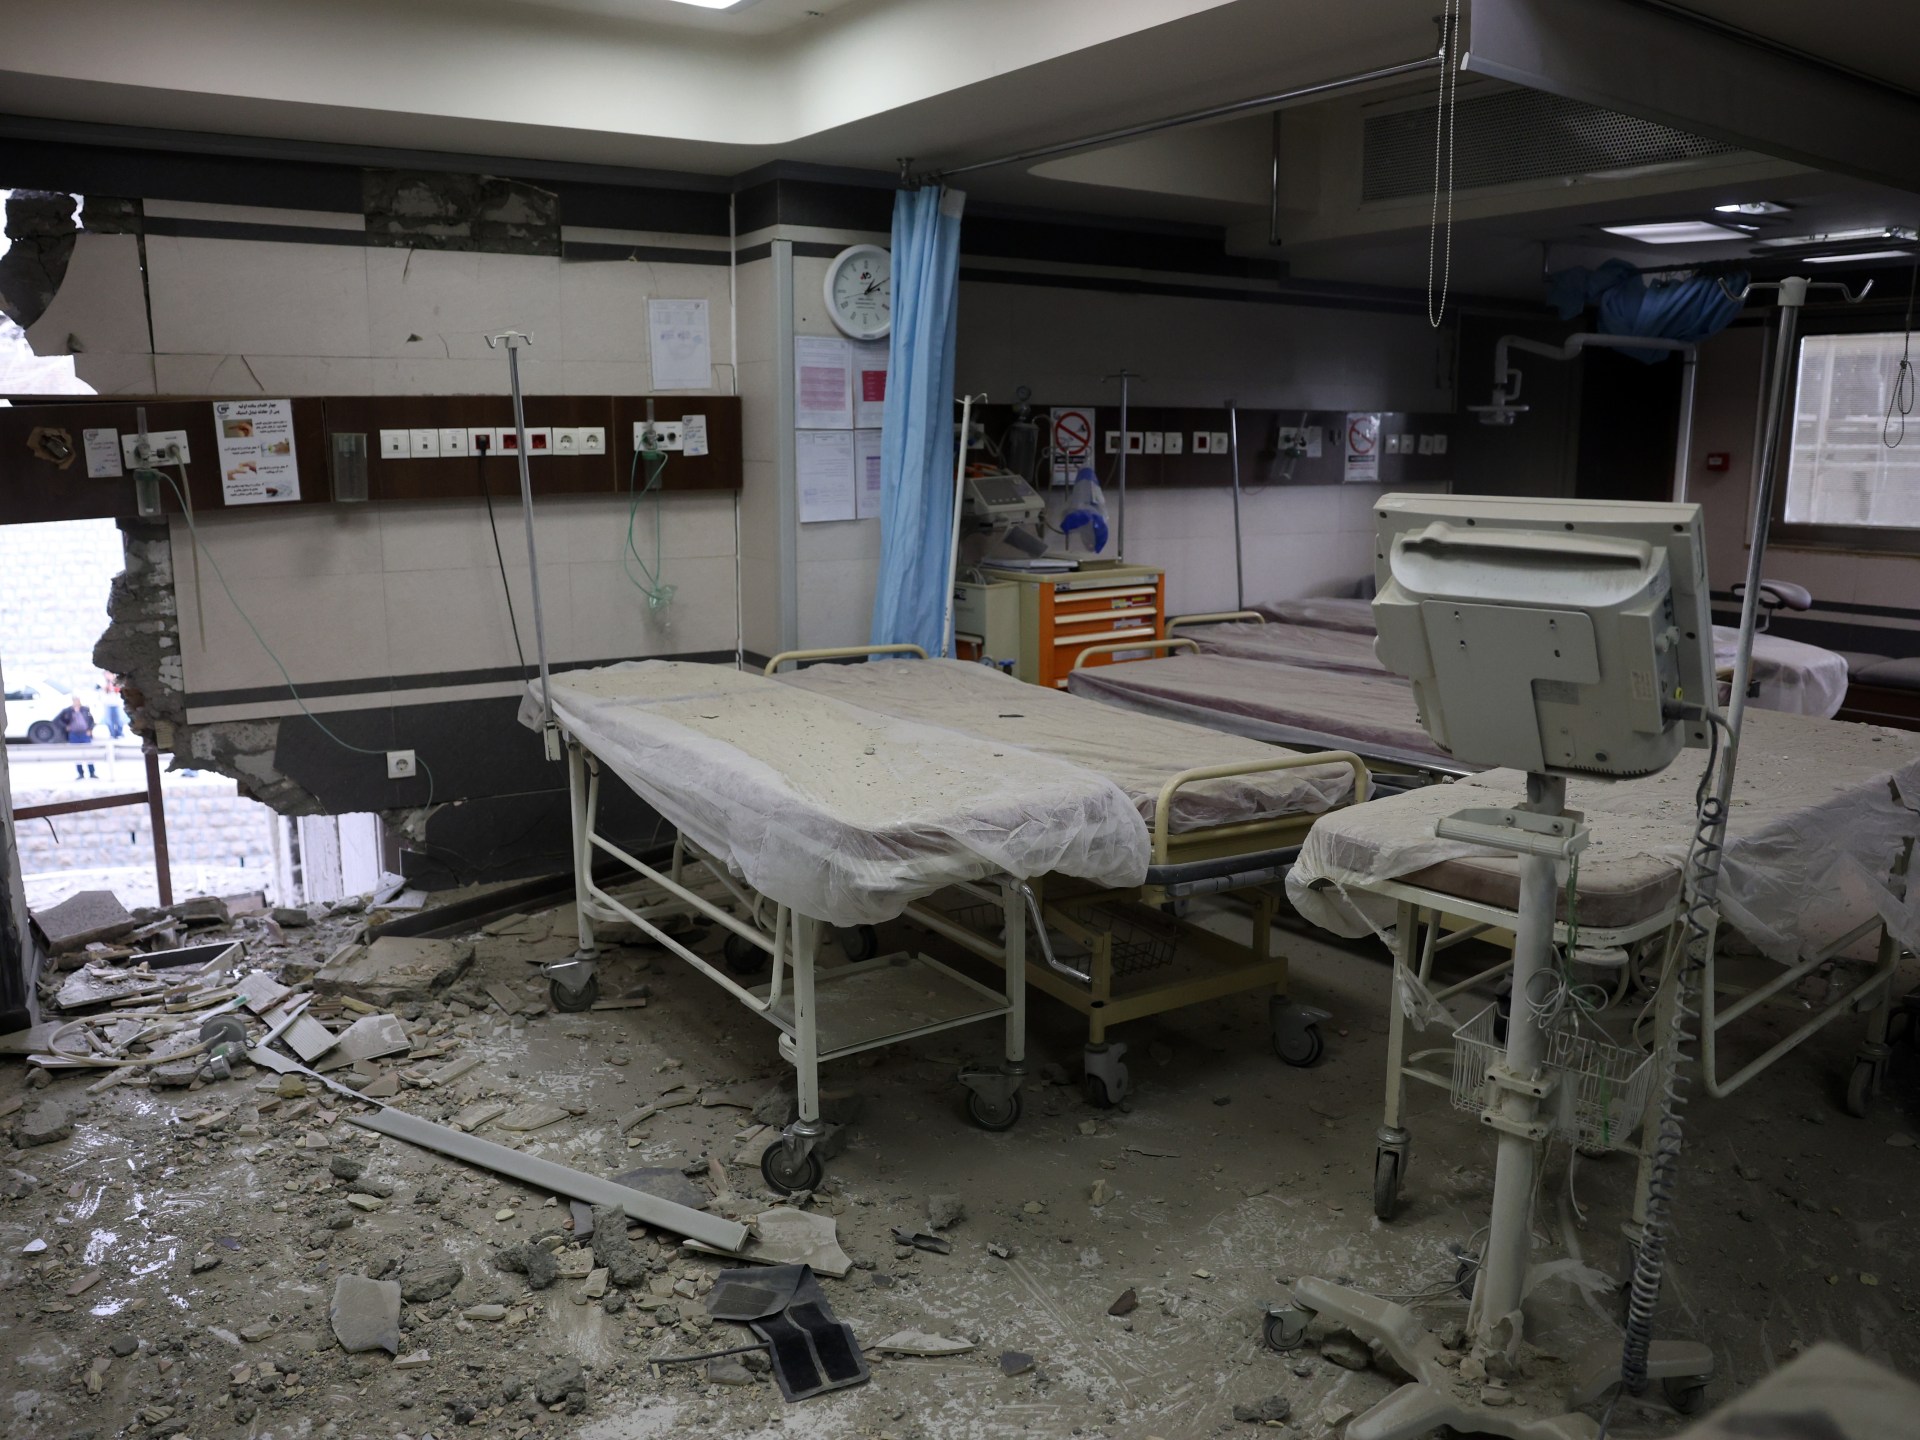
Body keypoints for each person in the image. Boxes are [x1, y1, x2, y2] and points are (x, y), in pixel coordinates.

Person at [56, 695, 96, 779]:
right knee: (77, 754)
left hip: (85, 734)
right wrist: (66, 727)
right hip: (74, 735)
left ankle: (92, 773)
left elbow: (91, 720)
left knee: (88, 754)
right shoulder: (67, 711)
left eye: (78, 700)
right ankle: (80, 774)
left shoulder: (85, 709)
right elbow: (57, 720)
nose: (77, 702)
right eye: (75, 701)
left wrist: (90, 729)